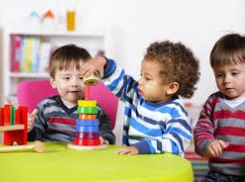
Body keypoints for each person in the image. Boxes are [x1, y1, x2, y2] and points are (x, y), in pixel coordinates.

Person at [81, 40, 200, 155]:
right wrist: (103, 62)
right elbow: (118, 80)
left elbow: (176, 142)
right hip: (137, 166)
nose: (140, 81)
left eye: (147, 78)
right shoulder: (136, 95)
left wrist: (143, 147)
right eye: (141, 75)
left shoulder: (176, 112)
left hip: (162, 171)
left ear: (171, 87)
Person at [28, 44, 115, 144]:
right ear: (53, 82)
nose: (74, 84)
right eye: (67, 78)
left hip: (81, 156)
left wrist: (104, 140)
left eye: (81, 78)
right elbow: (34, 138)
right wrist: (29, 129)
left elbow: (107, 134)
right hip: (50, 156)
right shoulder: (45, 107)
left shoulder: (94, 109)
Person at [194, 33, 245, 181]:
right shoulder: (213, 102)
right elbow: (202, 129)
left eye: (234, 73)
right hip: (219, 173)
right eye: (220, 75)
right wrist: (207, 144)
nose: (227, 80)